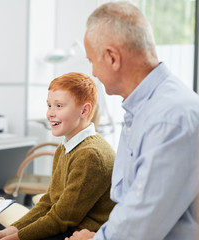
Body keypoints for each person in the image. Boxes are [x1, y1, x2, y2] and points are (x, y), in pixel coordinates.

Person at [67, 2, 199, 240]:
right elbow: (131, 203)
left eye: (92, 60)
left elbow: (141, 225)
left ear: (112, 58)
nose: (93, 72)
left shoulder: (169, 117)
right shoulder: (143, 109)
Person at [0, 72, 116, 240]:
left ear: (84, 110)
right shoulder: (65, 148)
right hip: (69, 226)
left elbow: (62, 218)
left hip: (81, 233)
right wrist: (9, 231)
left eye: (59, 106)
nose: (50, 113)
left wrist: (17, 237)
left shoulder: (90, 155)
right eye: (49, 105)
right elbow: (49, 201)